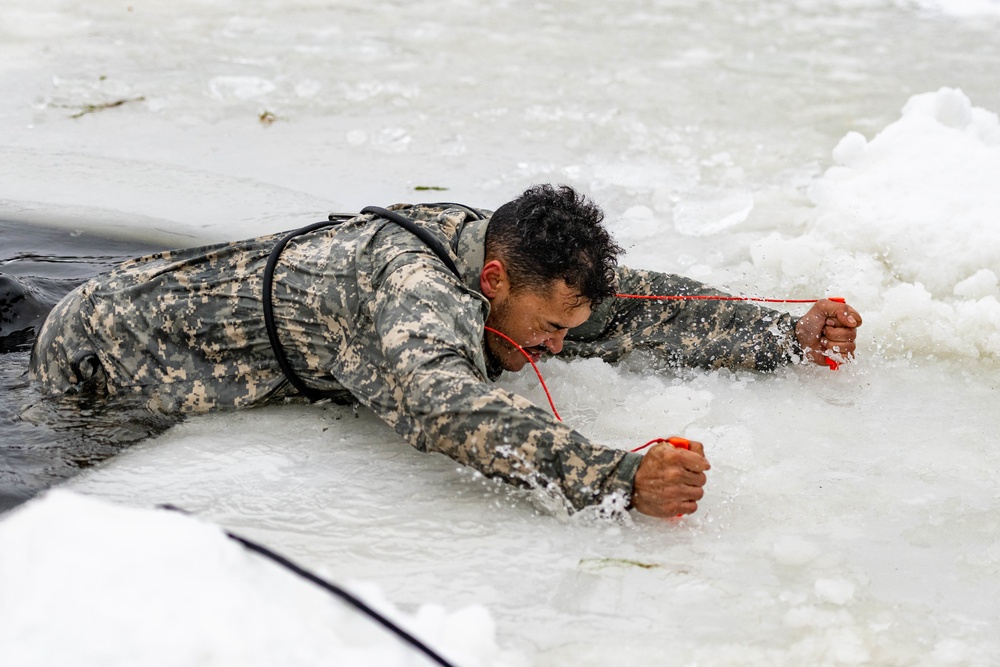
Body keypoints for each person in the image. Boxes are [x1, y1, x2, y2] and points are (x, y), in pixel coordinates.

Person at [29, 184, 862, 519]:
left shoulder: (507, 263)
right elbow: (443, 405)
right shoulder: (414, 294)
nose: (557, 346)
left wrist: (780, 333)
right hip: (109, 353)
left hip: (150, 306)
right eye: (547, 328)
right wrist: (614, 479)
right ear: (493, 278)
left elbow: (634, 304)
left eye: (566, 332)